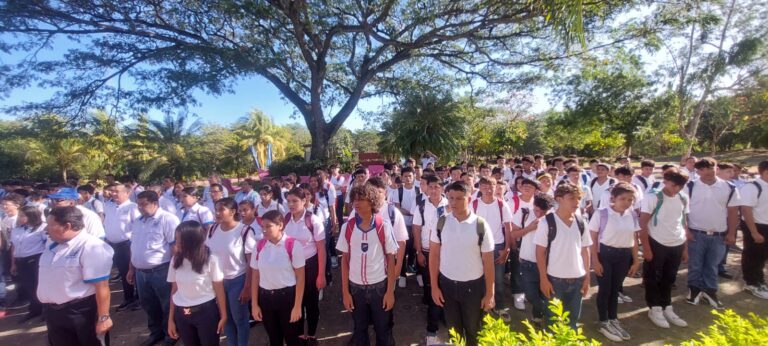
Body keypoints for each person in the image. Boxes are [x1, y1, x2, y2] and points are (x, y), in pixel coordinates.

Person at [430, 181, 495, 346]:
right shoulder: (441, 222)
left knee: (474, 330)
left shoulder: (480, 225)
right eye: (451, 198)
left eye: (459, 198)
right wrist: (434, 287)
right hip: (448, 286)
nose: (453, 203)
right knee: (454, 332)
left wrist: (489, 293)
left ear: (469, 198)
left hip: (473, 287)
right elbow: (434, 256)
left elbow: (488, 262)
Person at [38, 206, 114, 346]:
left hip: (81, 313)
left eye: (50, 225)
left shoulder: (91, 247)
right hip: (53, 313)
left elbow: (101, 287)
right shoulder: (52, 246)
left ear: (67, 226)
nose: (45, 229)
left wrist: (103, 318)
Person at [338, 184, 398, 346]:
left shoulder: (383, 226)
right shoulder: (348, 227)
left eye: (361, 199)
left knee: (383, 329)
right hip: (356, 288)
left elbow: (391, 260)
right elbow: (344, 260)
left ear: (372, 202)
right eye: (354, 199)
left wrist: (390, 292)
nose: (356, 203)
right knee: (359, 329)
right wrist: (345, 292)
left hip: (379, 287)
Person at [685, 158, 740, 310]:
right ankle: (694, 289)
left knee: (712, 265)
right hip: (696, 233)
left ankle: (710, 291)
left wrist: (731, 233)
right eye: (702, 169)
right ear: (697, 171)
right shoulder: (690, 186)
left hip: (719, 235)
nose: (707, 172)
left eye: (710, 168)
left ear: (716, 168)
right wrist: (686, 229)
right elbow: (683, 210)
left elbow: (733, 212)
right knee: (695, 264)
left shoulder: (729, 187)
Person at [534, 183, 591, 330]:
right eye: (572, 198)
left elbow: (585, 250)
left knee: (572, 322)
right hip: (555, 281)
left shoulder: (581, 222)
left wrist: (587, 278)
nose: (577, 202)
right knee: (553, 322)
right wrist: (543, 280)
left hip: (578, 279)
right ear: (559, 199)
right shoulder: (547, 222)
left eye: (578, 198)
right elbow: (540, 253)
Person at [589, 182, 641, 342]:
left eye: (630, 200)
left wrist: (636, 260)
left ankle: (613, 318)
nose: (627, 202)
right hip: (605, 254)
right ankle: (603, 321)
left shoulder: (631, 214)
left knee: (615, 289)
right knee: (605, 289)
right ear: (613, 198)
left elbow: (633, 238)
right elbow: (592, 238)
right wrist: (595, 261)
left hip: (623, 256)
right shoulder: (602, 214)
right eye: (623, 199)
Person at [127, 190, 181, 346]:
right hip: (140, 272)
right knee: (148, 304)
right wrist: (131, 268)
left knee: (166, 304)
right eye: (139, 205)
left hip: (161, 270)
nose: (140, 208)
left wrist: (176, 272)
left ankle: (171, 334)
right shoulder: (138, 221)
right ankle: (156, 332)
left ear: (155, 204)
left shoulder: (168, 219)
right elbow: (134, 246)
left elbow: (175, 248)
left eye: (144, 204)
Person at [639, 168, 690, 329]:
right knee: (652, 276)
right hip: (657, 242)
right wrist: (646, 248)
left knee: (670, 277)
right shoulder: (653, 197)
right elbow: (642, 224)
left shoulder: (683, 197)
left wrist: (685, 248)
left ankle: (666, 305)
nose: (675, 189)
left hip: (677, 242)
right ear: (665, 182)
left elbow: (683, 222)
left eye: (679, 186)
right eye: (672, 185)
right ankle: (654, 308)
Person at [167, 221, 227, 346]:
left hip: (206, 313)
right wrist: (171, 319)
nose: (176, 242)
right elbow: (174, 290)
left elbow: (219, 289)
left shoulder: (212, 260)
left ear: (190, 241)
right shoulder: (175, 260)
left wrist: (223, 315)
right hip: (182, 314)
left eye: (178, 239)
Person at [205, 198, 256, 346]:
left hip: (237, 281)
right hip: (217, 282)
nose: (218, 213)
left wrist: (247, 287)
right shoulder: (213, 229)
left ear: (233, 212)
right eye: (216, 210)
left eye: (222, 210)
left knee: (240, 319)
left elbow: (251, 262)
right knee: (225, 318)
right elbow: (207, 254)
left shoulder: (244, 231)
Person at [251, 210, 306, 346]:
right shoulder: (259, 246)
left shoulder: (292, 245)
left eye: (268, 226)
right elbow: (255, 276)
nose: (264, 230)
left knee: (292, 338)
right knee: (274, 339)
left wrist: (297, 306)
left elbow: (300, 277)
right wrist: (254, 305)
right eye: (262, 227)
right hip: (266, 298)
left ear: (280, 225)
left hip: (287, 297)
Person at [283, 187, 325, 345]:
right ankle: (300, 334)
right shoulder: (285, 219)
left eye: (295, 201)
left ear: (304, 201)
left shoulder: (313, 220)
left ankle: (312, 334)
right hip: (291, 268)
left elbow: (321, 249)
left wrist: (321, 274)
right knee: (295, 301)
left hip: (310, 266)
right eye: (288, 201)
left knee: (311, 302)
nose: (291, 204)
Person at [412, 175, 450, 345]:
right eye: (431, 186)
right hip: (428, 251)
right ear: (426, 188)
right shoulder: (421, 205)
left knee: (445, 286)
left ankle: (443, 317)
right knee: (432, 285)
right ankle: (432, 328)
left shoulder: (449, 205)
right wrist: (419, 251)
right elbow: (416, 229)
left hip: (447, 252)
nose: (434, 190)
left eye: (437, 186)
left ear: (442, 188)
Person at [471, 177, 513, 322]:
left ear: (496, 187)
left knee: (498, 280)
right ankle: (482, 306)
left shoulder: (502, 205)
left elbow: (508, 228)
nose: (488, 189)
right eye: (484, 186)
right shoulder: (474, 203)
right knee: (479, 278)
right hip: (479, 248)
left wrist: (507, 248)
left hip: (498, 246)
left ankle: (500, 306)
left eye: (492, 185)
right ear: (480, 187)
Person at [512, 192, 552, 326]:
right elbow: (513, 234)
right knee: (530, 294)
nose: (539, 214)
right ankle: (544, 311)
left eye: (543, 212)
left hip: (548, 264)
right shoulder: (524, 213)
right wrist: (529, 228)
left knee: (545, 293)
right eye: (536, 210)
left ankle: (538, 317)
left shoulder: (553, 218)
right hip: (527, 262)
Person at [104, 184, 142, 311]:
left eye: (117, 191)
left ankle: (136, 298)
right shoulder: (109, 206)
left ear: (127, 193)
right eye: (112, 191)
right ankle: (128, 297)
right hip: (113, 245)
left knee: (131, 272)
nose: (113, 193)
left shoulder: (132, 207)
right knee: (122, 272)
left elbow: (137, 226)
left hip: (127, 245)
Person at [9, 206, 47, 322]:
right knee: (28, 287)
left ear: (31, 216)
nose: (19, 218)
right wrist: (13, 264)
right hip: (21, 261)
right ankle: (35, 309)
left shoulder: (41, 228)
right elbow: (14, 247)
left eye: (22, 216)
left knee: (39, 286)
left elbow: (47, 245)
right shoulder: (17, 229)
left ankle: (46, 310)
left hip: (35, 260)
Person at [738, 160, 768, 299]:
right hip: (756, 225)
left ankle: (760, 281)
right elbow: (746, 209)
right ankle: (751, 283)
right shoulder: (753, 187)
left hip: (766, 225)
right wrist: (754, 231)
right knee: (752, 255)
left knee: (762, 256)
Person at [391, 166, 419, 288]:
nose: (407, 178)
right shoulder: (398, 191)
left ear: (414, 177)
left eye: (410, 176)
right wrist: (410, 212)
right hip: (403, 224)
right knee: (402, 249)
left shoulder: (418, 190)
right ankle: (402, 275)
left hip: (416, 225)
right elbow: (397, 207)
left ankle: (417, 272)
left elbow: (421, 206)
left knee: (416, 248)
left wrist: (415, 215)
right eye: (405, 176)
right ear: (402, 177)